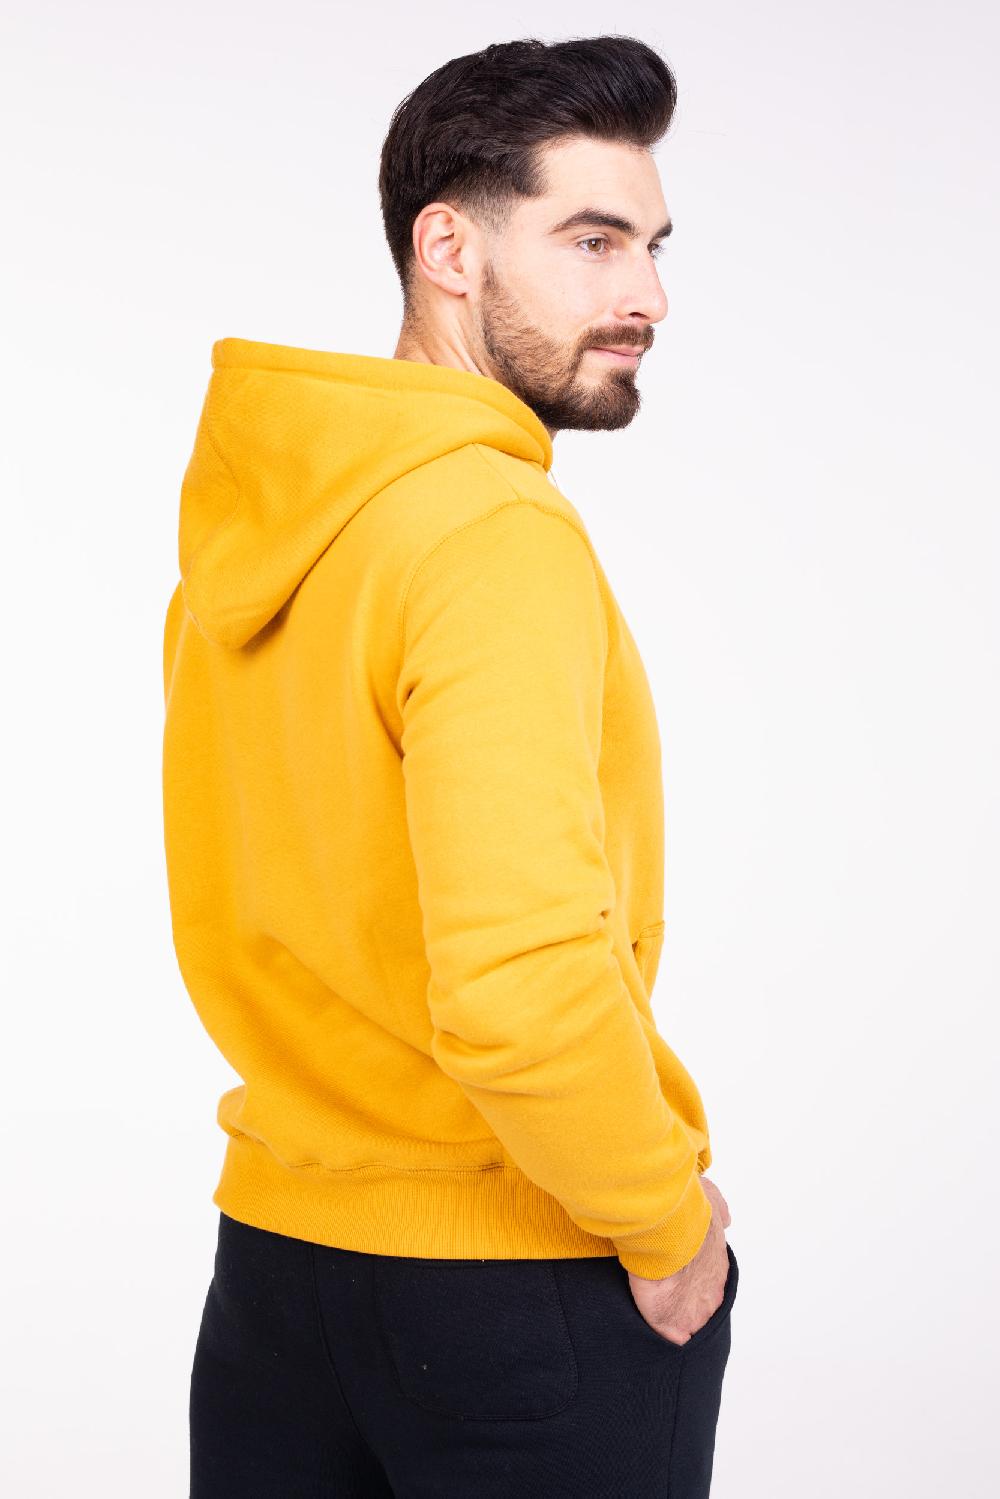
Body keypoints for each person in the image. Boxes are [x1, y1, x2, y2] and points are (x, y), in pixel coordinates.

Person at [162, 32, 738, 1499]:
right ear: (450, 251)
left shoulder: (271, 524)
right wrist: (664, 1221)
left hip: (276, 1276)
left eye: (654, 246)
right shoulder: (488, 533)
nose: (647, 295)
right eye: (593, 240)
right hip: (514, 1290)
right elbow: (518, 983)